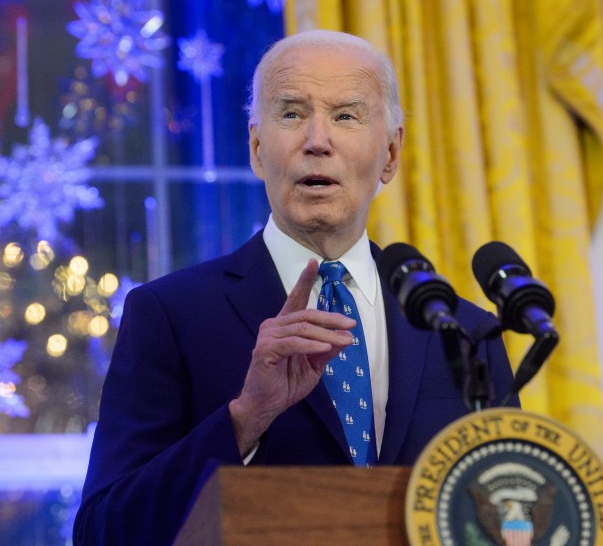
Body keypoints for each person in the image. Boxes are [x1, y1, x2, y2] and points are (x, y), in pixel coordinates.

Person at [73, 30, 518, 545]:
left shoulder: (463, 333)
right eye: (291, 114)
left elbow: (513, 514)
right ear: (258, 149)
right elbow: (104, 531)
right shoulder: (170, 315)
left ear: (391, 153)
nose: (317, 140)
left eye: (346, 115)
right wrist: (245, 418)